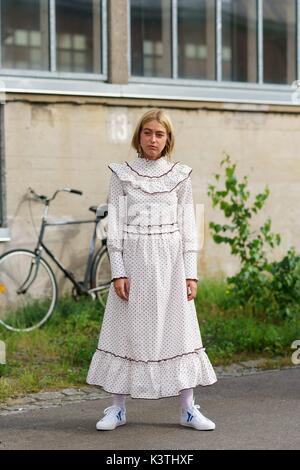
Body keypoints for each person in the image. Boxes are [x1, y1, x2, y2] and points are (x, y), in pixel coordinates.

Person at [86, 108, 217, 431]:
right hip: (133, 262)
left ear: (168, 138)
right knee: (124, 330)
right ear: (139, 136)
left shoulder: (180, 176)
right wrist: (118, 270)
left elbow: (189, 226)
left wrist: (190, 273)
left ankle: (187, 408)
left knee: (180, 332)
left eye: (160, 134)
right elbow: (113, 225)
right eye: (148, 132)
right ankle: (116, 408)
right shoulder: (121, 174)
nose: (153, 139)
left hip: (171, 265)